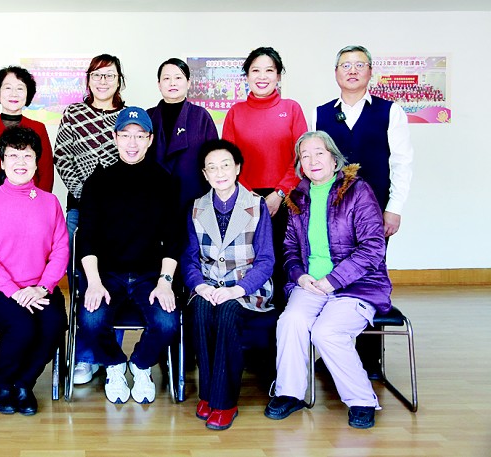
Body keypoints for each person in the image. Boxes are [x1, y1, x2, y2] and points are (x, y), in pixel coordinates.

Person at [264, 131, 391, 429]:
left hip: (357, 286)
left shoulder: (358, 191)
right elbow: (290, 249)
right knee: (290, 321)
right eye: (305, 156)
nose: (312, 160)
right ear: (300, 165)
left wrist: (333, 280)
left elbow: (373, 247)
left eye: (319, 153)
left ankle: (362, 400)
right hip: (311, 285)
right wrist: (300, 276)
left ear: (334, 159)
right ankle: (290, 393)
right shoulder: (297, 197)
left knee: (327, 332)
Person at [312, 45, 413, 376]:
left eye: (359, 65)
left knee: (370, 276)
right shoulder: (321, 113)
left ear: (370, 71)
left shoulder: (390, 111)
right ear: (336, 73)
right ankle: (334, 355)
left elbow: (402, 163)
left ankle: (370, 361)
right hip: (332, 212)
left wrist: (394, 208)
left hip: (375, 212)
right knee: (335, 275)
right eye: (345, 65)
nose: (352, 70)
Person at [77, 107, 181, 405]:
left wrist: (165, 282)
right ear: (115, 138)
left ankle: (141, 364)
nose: (132, 143)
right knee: (91, 320)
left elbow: (174, 239)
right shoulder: (99, 181)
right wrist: (94, 283)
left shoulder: (165, 181)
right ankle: (114, 364)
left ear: (150, 139)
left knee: (167, 323)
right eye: (125, 135)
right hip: (107, 275)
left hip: (150, 275)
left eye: (139, 136)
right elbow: (86, 237)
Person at [0, 126, 68, 416]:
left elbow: (61, 249)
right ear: (2, 162)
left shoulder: (50, 202)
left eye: (27, 156)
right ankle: (3, 383)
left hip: (40, 288)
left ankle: (25, 383)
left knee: (53, 324)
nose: (20, 162)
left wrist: (42, 287)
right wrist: (14, 291)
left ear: (37, 162)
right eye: (13, 155)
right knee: (23, 326)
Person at [182, 139, 274, 431]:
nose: (219, 172)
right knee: (199, 309)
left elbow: (266, 260)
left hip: (247, 290)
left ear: (237, 168)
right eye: (212, 168)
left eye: (225, 165)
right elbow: (189, 258)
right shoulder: (196, 207)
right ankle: (207, 393)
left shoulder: (256, 205)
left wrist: (237, 290)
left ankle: (224, 402)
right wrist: (199, 286)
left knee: (227, 311)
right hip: (209, 286)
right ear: (204, 174)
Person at [53, 53, 127, 386]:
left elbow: (132, 161)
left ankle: (110, 357)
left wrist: (111, 201)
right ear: (88, 80)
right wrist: (88, 196)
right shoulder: (73, 114)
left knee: (114, 282)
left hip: (119, 214)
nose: (103, 81)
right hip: (80, 209)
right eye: (97, 75)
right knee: (85, 285)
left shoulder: (128, 116)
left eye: (109, 75)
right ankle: (84, 356)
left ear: (119, 80)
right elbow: (62, 157)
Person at [221, 47, 307, 307]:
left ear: (278, 76)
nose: (262, 76)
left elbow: (301, 158)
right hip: (244, 199)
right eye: (255, 70)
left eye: (269, 70)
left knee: (283, 260)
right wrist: (252, 197)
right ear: (246, 76)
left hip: (286, 199)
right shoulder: (235, 112)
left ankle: (283, 319)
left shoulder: (291, 109)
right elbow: (228, 161)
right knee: (249, 261)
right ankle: (251, 318)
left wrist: (279, 194)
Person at [0, 66, 54, 207]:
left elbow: (46, 172)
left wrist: (40, 204)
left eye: (20, 88)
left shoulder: (38, 128)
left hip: (30, 202)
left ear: (28, 94)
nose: (14, 94)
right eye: (8, 88)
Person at [148, 58, 219, 210]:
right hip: (154, 198)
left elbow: (214, 159)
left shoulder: (201, 116)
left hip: (194, 199)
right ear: (159, 84)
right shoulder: (148, 116)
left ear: (188, 83)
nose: (172, 83)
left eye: (178, 78)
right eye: (166, 78)